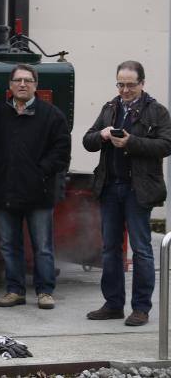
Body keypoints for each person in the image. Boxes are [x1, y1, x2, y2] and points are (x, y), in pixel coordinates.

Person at [83, 60, 171, 327]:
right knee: (110, 250)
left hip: (138, 190)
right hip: (110, 188)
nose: (124, 90)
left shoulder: (157, 111)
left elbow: (166, 145)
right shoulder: (110, 108)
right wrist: (102, 134)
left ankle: (141, 308)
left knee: (141, 250)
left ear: (142, 83)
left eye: (130, 85)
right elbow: (87, 141)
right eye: (120, 84)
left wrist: (132, 143)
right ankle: (113, 304)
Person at [0, 64, 71, 310]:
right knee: (8, 245)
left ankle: (45, 292)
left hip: (39, 191)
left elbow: (61, 151)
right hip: (6, 189)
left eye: (28, 80)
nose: (23, 84)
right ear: (10, 85)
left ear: (36, 85)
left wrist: (40, 172)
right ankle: (14, 290)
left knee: (43, 247)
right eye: (18, 80)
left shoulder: (51, 115)